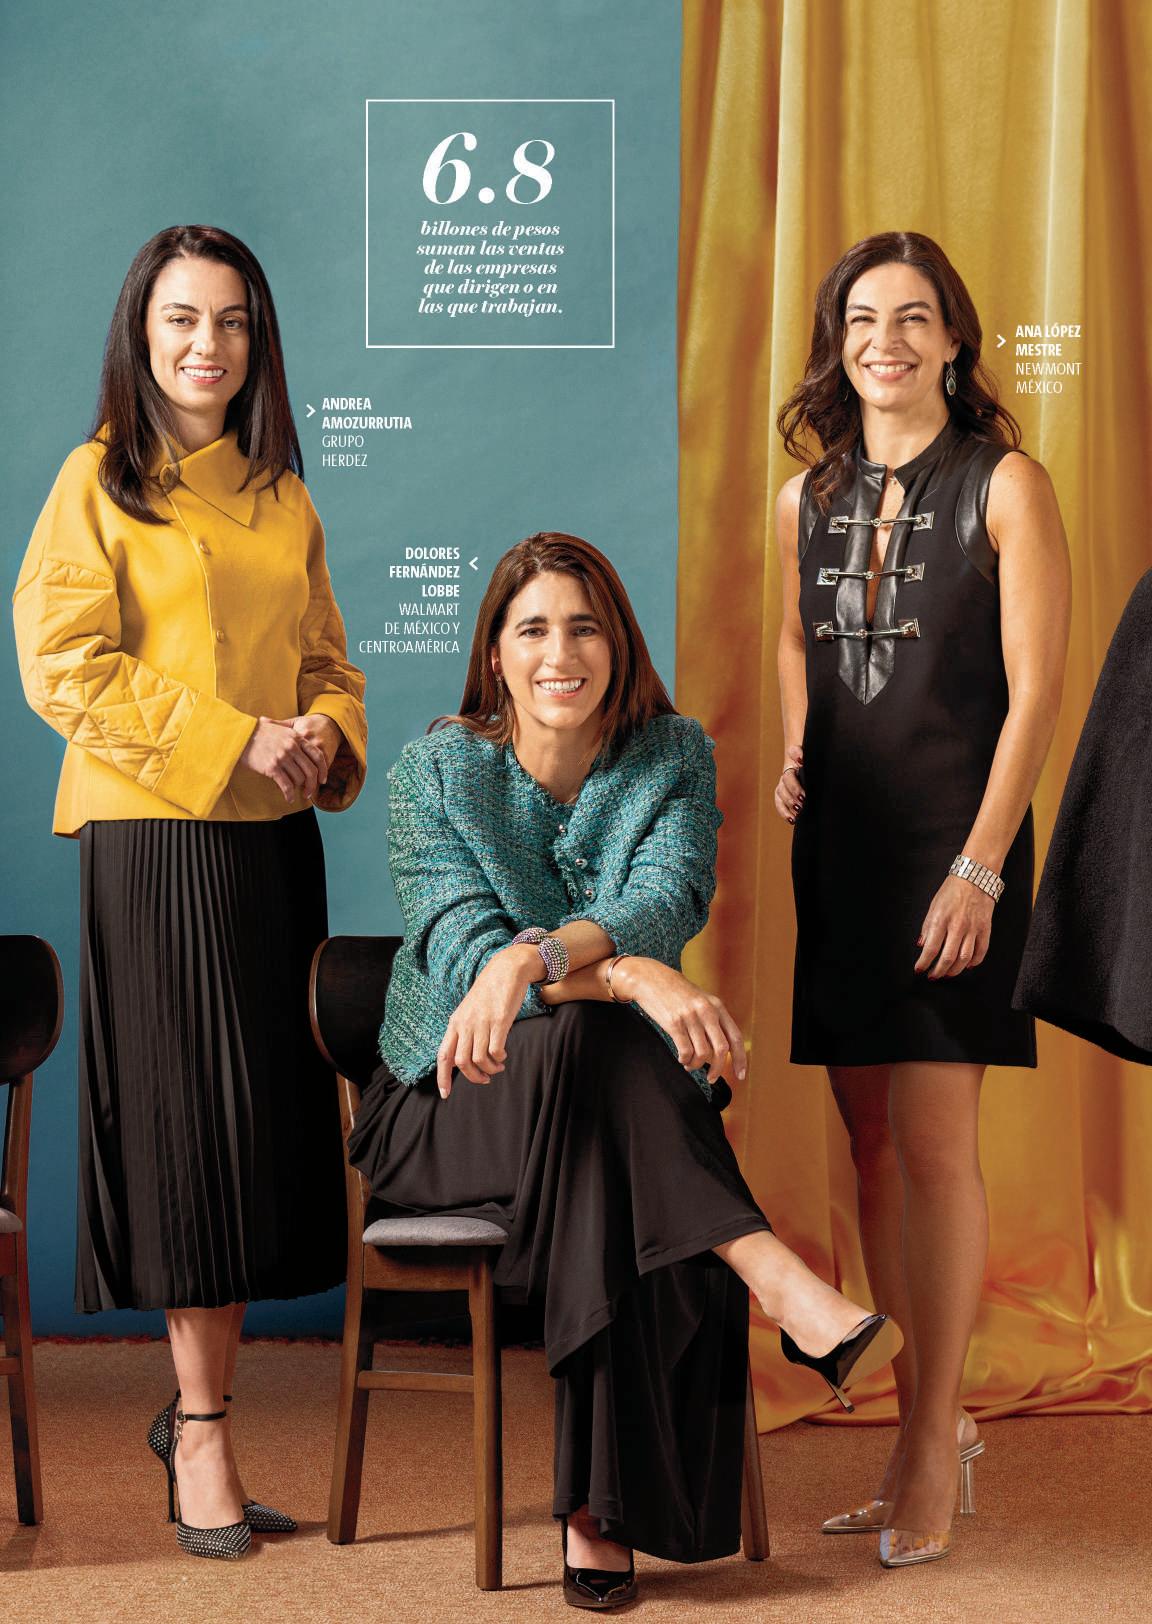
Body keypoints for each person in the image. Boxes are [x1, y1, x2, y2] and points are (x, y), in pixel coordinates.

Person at [346, 531, 901, 1608]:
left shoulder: (673, 756)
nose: (561, 654)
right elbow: (464, 961)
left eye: (585, 628)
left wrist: (540, 958)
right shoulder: (436, 772)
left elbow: (665, 897)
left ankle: (595, 1514)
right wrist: (630, 977)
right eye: (533, 630)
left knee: (601, 1109)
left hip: (597, 1110)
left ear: (620, 644)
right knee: (604, 1050)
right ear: (495, 654)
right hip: (445, 1103)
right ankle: (775, 1278)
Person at [13, 225, 367, 1560]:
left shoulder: (283, 495)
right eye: (181, 319)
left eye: (231, 322)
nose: (206, 345)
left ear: (257, 342)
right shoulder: (97, 481)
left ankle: (202, 1414)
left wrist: (326, 731)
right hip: (155, 835)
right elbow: (63, 663)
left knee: (257, 1137)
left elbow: (328, 659)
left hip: (273, 839)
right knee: (186, 1135)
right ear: (140, 332)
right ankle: (202, 1429)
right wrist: (233, 737)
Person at [773, 231, 1070, 1567]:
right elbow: (796, 640)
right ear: (837, 344)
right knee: (873, 1148)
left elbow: (1039, 692)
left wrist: (982, 867)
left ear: (953, 339)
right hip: (842, 848)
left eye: (910, 318)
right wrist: (796, 741)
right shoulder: (803, 498)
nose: (882, 342)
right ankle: (918, 1427)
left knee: (939, 1143)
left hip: (961, 846)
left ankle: (935, 1443)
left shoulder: (1007, 483)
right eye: (859, 320)